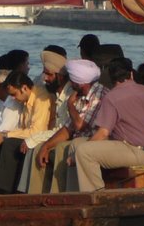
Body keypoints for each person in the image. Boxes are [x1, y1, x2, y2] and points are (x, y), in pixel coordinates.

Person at [74, 57, 144, 192]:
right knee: (76, 144)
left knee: (83, 151)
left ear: (111, 79)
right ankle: (73, 192)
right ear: (131, 74)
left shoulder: (111, 97)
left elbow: (103, 133)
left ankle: (95, 195)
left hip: (132, 150)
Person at [32, 59, 105, 193]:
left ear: (80, 83)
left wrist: (70, 105)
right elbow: (67, 128)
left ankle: (58, 195)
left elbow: (79, 126)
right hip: (78, 138)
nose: (70, 84)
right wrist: (46, 146)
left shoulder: (98, 95)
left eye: (72, 81)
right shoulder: (80, 94)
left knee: (63, 148)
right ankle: (35, 195)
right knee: (39, 148)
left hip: (94, 140)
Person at [17, 47, 72, 193]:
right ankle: (29, 193)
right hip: (58, 134)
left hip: (67, 136)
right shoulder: (57, 93)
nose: (44, 78)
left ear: (60, 76)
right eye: (44, 73)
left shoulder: (69, 96)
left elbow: (63, 129)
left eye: (49, 74)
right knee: (32, 147)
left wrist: (34, 139)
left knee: (35, 146)